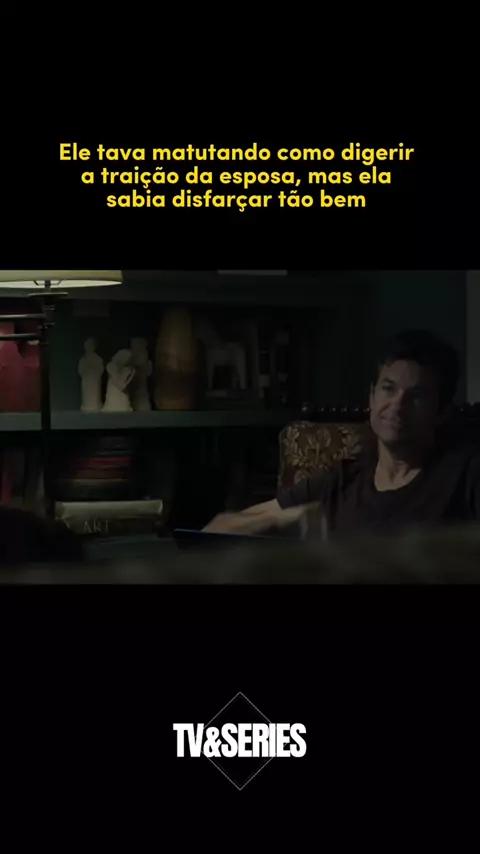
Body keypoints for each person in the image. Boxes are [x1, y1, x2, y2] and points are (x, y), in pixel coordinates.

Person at [204, 329, 480, 539]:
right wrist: (285, 519)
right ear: (371, 397)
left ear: (442, 412)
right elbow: (218, 529)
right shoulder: (343, 481)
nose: (397, 405)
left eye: (417, 396)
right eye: (388, 388)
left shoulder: (466, 474)